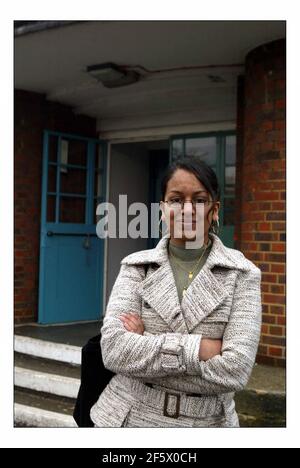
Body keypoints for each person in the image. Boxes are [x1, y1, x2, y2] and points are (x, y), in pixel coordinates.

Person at [90, 158, 262, 428]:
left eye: (200, 200)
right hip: (126, 419)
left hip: (207, 423)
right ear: (162, 208)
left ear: (214, 210)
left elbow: (236, 370)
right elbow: (113, 351)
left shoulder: (242, 274)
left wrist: (146, 340)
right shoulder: (137, 266)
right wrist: (203, 349)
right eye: (176, 199)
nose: (187, 209)